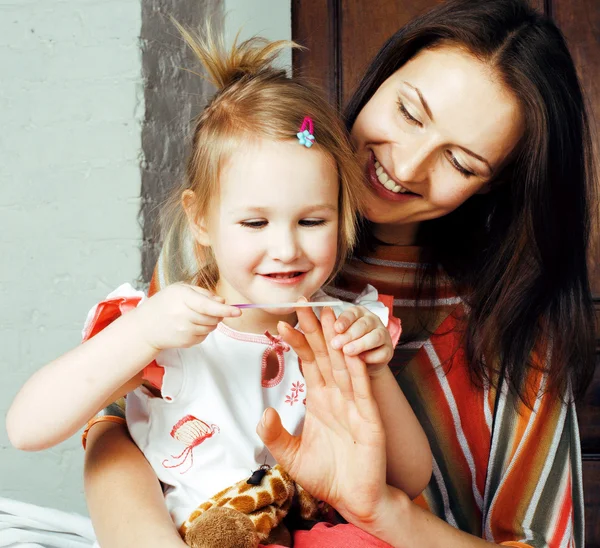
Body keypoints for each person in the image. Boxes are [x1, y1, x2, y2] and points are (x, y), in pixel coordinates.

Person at [72, 0, 600, 546]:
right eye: (409, 113)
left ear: (494, 184)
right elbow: (117, 423)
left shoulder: (518, 330)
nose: (407, 164)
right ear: (381, 76)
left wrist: (384, 512)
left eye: (461, 162)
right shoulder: (233, 234)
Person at [6, 26, 432, 548]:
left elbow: (411, 479)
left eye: (312, 221)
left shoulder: (340, 326)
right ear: (201, 221)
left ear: (342, 216)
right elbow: (27, 429)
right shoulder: (166, 326)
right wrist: (140, 332)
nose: (286, 249)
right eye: (255, 223)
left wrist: (373, 368)